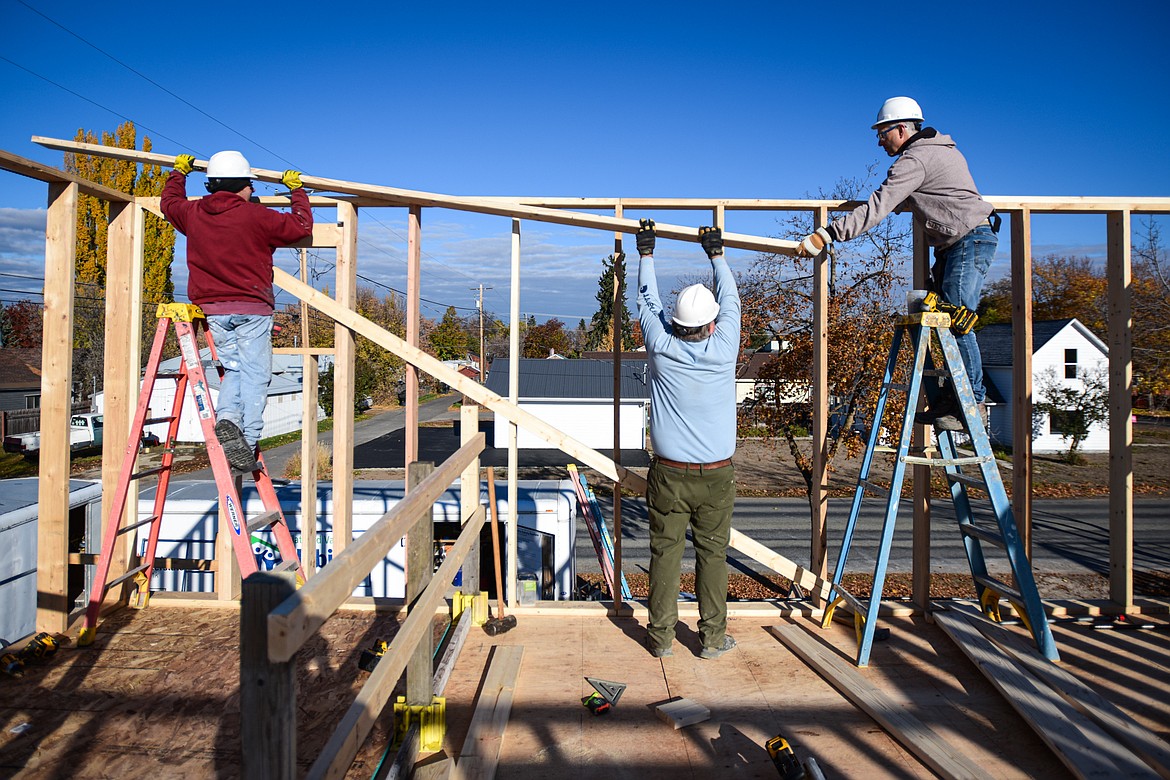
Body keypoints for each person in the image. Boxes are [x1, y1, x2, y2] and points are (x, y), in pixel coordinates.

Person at [796, 96, 999, 431]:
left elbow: (879, 205)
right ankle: (951, 399)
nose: (879, 140)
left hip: (967, 240)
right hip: (960, 243)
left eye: (882, 132)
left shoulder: (914, 160)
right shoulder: (941, 150)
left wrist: (828, 233)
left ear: (902, 128)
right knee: (939, 320)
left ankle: (971, 401)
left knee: (958, 320)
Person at [161, 151, 313, 470]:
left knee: (234, 369)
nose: (254, 192)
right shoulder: (257, 217)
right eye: (251, 187)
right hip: (252, 307)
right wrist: (297, 192)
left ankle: (229, 419)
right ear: (243, 185)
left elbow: (169, 203)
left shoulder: (193, 213)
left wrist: (178, 173)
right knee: (256, 373)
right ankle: (249, 437)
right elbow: (301, 228)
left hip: (213, 309)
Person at [635, 219, 741, 660]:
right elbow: (732, 298)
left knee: (665, 554)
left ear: (676, 324)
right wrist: (716, 254)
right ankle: (712, 640)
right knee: (712, 557)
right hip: (716, 476)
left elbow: (646, 302)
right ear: (712, 325)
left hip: (669, 475)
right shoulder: (726, 346)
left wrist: (646, 254)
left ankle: (661, 640)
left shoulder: (661, 345)